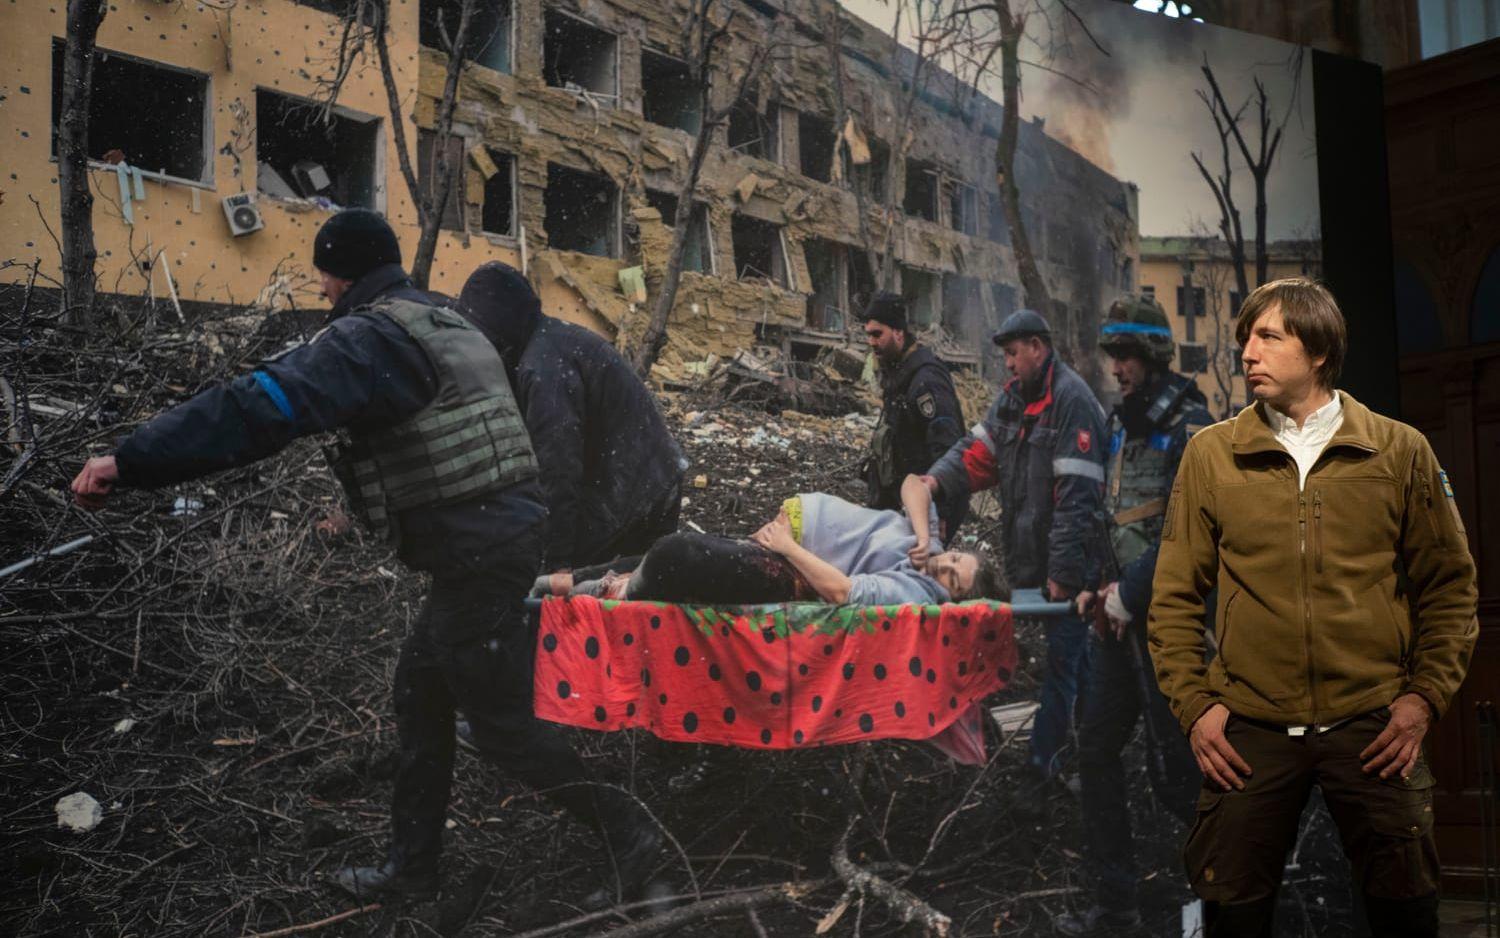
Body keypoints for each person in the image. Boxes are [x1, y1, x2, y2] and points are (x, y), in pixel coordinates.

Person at [69, 209, 663, 906]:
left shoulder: (371, 337)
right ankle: (413, 871)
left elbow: (255, 407)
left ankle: (634, 837)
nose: (321, 290)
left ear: (339, 273)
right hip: (495, 540)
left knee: (499, 725)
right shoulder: (441, 320)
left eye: (323, 275)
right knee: (421, 694)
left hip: (479, 552)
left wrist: (132, 461)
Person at [1148, 278, 1478, 938]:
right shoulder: (1212, 454)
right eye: (1246, 338)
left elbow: (1450, 587)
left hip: (1373, 724)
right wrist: (1196, 707)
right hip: (1252, 727)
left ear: (1320, 350)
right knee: (1231, 910)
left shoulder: (1399, 450)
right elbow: (1174, 596)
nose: (1248, 352)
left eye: (1269, 336)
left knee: (1405, 908)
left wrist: (1422, 700)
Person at [1054, 295, 1209, 936]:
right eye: (1112, 355)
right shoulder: (1121, 425)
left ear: (1150, 356)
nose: (1114, 367)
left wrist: (1130, 595)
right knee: (1095, 750)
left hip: (1174, 628)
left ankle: (1220, 906)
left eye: (1124, 356)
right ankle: (1115, 909)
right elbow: (1107, 513)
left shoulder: (1195, 427)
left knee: (1181, 778)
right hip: (1116, 627)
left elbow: (1190, 532)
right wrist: (1096, 587)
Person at [925, 308, 1107, 783]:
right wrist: (933, 483)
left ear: (1037, 347)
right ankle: (1097, 742)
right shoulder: (1010, 402)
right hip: (1031, 557)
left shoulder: (1073, 402)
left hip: (1072, 562)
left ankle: (1041, 769)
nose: (1006, 364)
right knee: (1075, 660)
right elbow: (975, 454)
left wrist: (1064, 575)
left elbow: (1077, 500)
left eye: (1011, 354)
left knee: (1063, 663)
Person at [456, 262, 685, 594]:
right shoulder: (548, 342)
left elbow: (557, 468)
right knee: (627, 591)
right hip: (650, 479)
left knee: (585, 591)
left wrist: (556, 566)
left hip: (632, 493)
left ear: (497, 330)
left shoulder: (543, 367)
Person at [569, 474, 1005, 606]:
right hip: (792, 529)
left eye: (953, 580)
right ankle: (565, 581)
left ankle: (593, 590)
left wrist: (786, 546)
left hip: (791, 560)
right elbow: (914, 484)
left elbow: (843, 591)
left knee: (677, 555)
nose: (942, 566)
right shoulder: (927, 547)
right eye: (953, 560)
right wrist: (926, 535)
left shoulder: (913, 592)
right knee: (680, 555)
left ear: (953, 600)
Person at [860, 292, 968, 539]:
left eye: (878, 334)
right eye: (868, 334)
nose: (871, 342)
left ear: (898, 332)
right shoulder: (899, 373)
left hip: (927, 506)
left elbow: (947, 448)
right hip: (904, 502)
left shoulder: (925, 381)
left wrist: (941, 512)